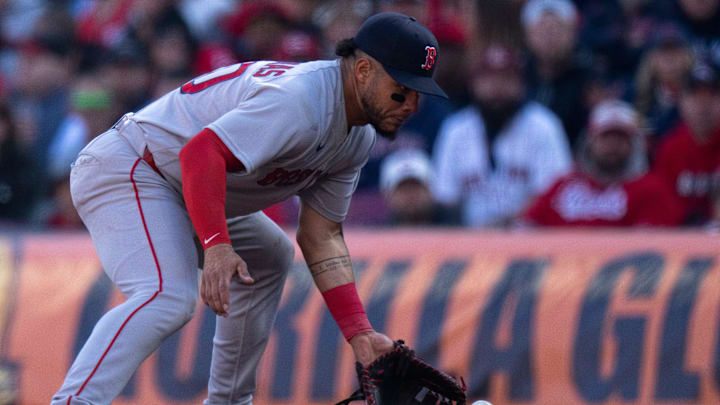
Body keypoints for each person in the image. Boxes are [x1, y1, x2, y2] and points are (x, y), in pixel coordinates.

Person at [51, 12, 447, 405]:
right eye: (401, 89)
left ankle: (228, 402)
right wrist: (217, 243)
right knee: (166, 296)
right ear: (362, 70)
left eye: (418, 93)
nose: (411, 104)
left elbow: (321, 235)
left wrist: (359, 332)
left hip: (182, 185)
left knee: (271, 255)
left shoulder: (356, 136)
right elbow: (200, 154)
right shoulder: (302, 102)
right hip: (132, 166)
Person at [432, 44, 572, 227]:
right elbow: (445, 198)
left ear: (521, 84)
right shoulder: (455, 130)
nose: (497, 87)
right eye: (488, 79)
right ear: (473, 84)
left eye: (506, 79)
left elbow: (555, 196)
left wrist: (505, 224)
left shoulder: (544, 126)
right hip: (468, 244)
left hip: (532, 242)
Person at [523, 99, 684, 227]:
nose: (612, 145)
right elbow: (528, 227)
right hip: (560, 265)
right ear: (591, 141)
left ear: (634, 144)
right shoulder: (563, 186)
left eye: (620, 138)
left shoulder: (650, 190)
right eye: (606, 137)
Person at [652, 59, 720, 225]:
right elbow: (662, 205)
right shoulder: (670, 148)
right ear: (681, 101)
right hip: (684, 240)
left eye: (712, 95)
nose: (703, 104)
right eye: (694, 95)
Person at [379, 148, 456, 226]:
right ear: (388, 194)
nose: (411, 195)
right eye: (403, 189)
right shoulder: (379, 234)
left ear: (430, 189)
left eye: (416, 187)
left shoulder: (456, 226)